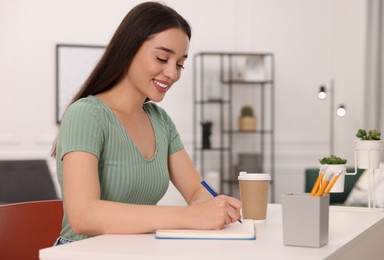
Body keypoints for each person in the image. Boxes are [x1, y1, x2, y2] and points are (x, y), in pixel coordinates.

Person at [51, 1, 242, 245]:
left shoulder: (160, 120)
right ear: (128, 49)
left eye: (180, 64)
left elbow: (195, 190)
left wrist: (218, 206)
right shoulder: (86, 115)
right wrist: (189, 216)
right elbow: (83, 215)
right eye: (162, 58)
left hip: (138, 250)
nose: (173, 74)